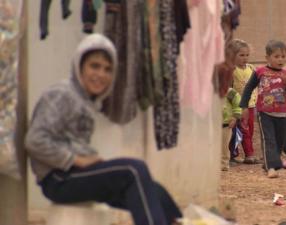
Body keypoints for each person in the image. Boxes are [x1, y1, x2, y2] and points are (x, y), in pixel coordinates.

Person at [25, 34, 182, 225]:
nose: (101, 74)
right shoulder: (61, 94)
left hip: (74, 174)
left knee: (153, 190)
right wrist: (78, 160)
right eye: (94, 66)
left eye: (108, 69)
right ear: (79, 66)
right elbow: (34, 141)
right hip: (58, 178)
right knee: (133, 169)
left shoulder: (87, 100)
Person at [240, 40, 286, 178]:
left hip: (282, 114)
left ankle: (271, 162)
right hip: (264, 112)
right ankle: (271, 167)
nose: (280, 59)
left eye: (283, 56)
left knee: (279, 140)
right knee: (269, 139)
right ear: (267, 57)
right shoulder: (260, 72)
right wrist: (244, 107)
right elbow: (248, 88)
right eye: (276, 56)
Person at [227, 38, 259, 164]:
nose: (245, 58)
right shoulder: (232, 70)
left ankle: (248, 154)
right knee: (234, 131)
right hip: (236, 107)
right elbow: (228, 88)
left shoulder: (251, 69)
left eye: (247, 55)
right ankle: (233, 155)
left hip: (250, 106)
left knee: (249, 130)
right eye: (241, 55)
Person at [221, 87, 242, 171]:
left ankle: (224, 164)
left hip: (226, 123)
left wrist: (235, 117)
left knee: (224, 145)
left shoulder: (230, 92)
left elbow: (237, 104)